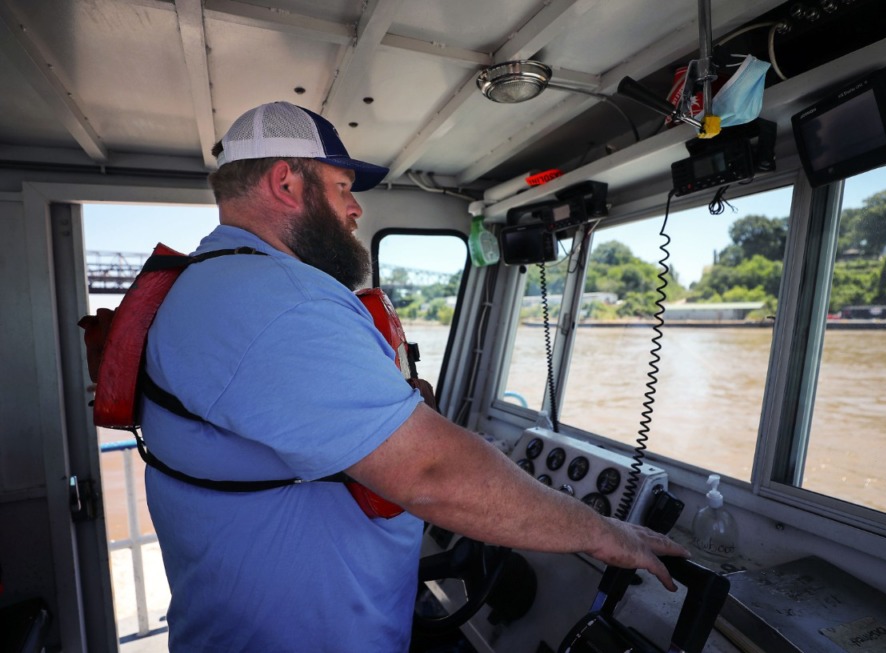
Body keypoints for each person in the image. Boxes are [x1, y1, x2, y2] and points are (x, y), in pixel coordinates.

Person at [140, 101, 689, 652]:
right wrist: (605, 533)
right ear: (286, 182)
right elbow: (432, 472)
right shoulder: (279, 303)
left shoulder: (212, 280)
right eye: (341, 186)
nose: (355, 209)